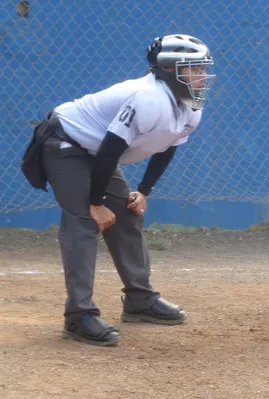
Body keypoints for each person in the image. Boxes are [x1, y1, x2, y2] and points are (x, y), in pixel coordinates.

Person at [20, 34, 215, 346]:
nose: (202, 76)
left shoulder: (190, 105)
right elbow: (110, 151)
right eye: (193, 68)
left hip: (96, 151)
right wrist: (95, 203)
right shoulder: (146, 98)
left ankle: (140, 300)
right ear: (167, 70)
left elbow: (167, 146)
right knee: (85, 219)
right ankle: (78, 317)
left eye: (203, 68)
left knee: (125, 211)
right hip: (65, 142)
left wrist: (143, 191)